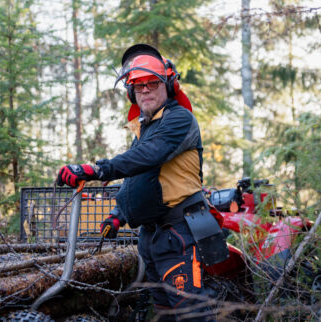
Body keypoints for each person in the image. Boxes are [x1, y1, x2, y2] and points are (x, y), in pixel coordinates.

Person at [57, 44, 225, 321]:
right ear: (131, 92)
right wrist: (118, 214)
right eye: (138, 85)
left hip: (179, 231)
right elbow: (140, 176)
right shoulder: (147, 127)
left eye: (152, 83)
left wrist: (97, 170)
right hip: (153, 236)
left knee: (192, 314)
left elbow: (148, 156)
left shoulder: (180, 119)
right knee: (165, 314)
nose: (144, 90)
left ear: (168, 86)